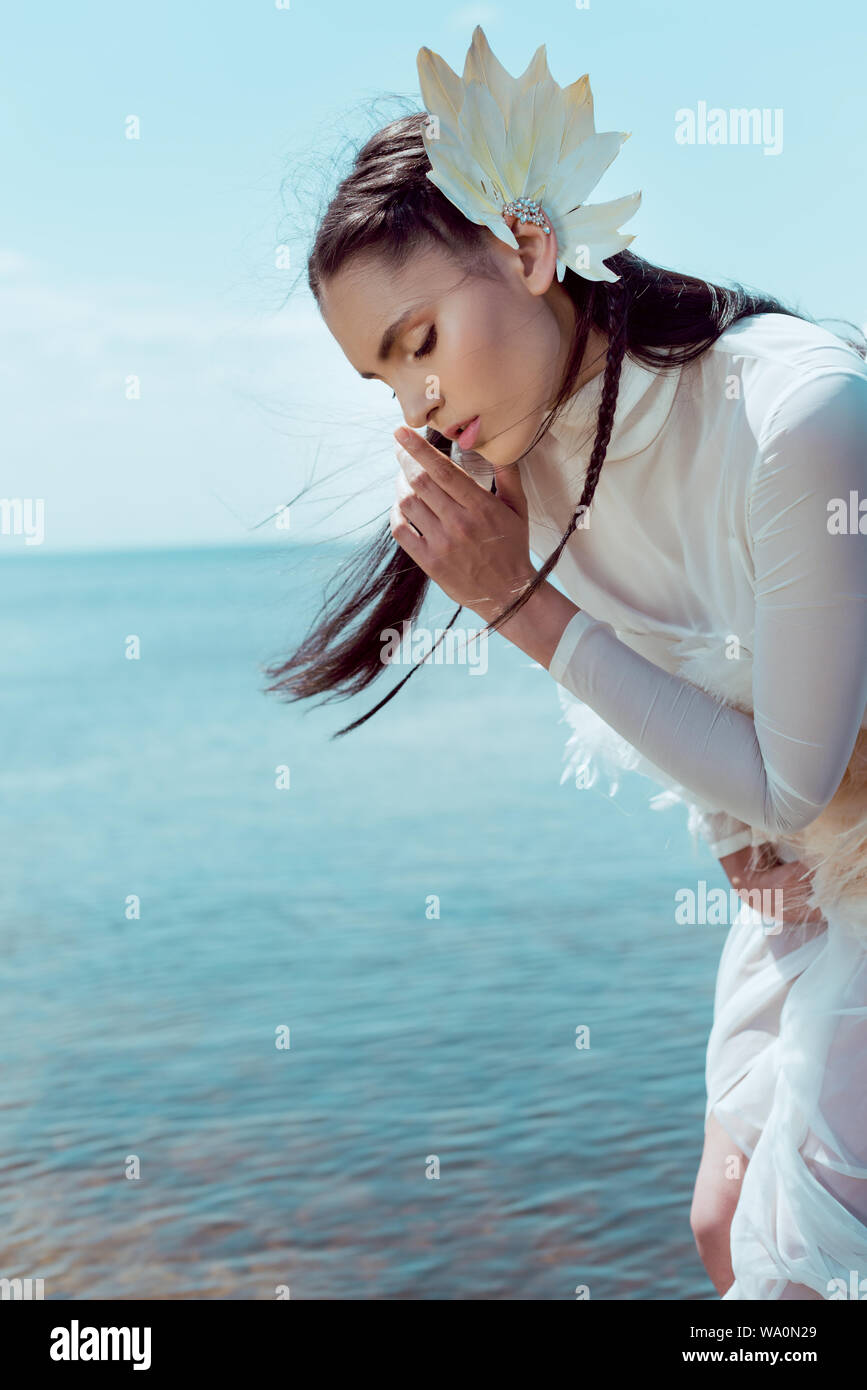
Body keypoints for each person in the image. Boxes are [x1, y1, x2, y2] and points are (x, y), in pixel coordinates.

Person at [265, 26, 867, 1299]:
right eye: (383, 375)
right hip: (806, 884)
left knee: (795, 1269)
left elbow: (802, 786)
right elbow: (708, 715)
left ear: (531, 248)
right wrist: (727, 831)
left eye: (420, 339)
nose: (413, 405)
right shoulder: (525, 472)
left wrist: (520, 605)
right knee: (719, 1223)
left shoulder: (798, 414)